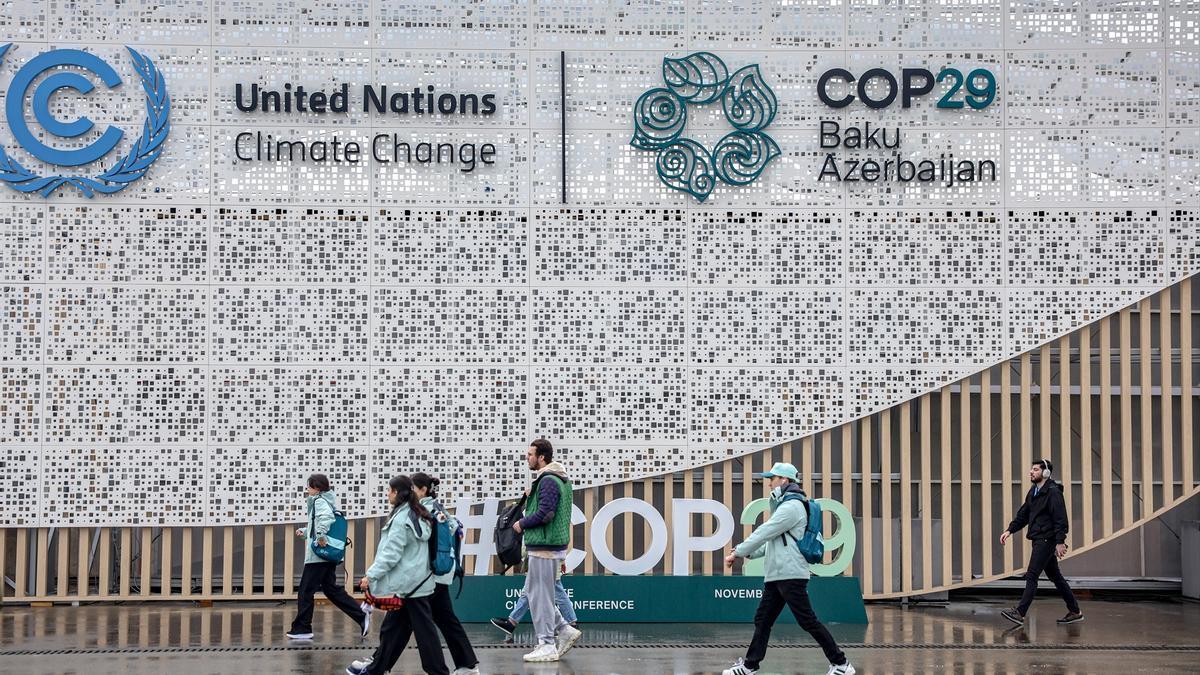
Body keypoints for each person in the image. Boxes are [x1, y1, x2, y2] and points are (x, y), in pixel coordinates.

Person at [722, 462, 854, 675]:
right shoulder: (784, 505)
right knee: (762, 620)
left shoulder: (791, 507)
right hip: (777, 575)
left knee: (807, 621)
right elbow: (771, 542)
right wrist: (746, 552)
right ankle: (749, 666)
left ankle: (841, 664)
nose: (769, 484)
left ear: (784, 480)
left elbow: (765, 531)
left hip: (790, 574)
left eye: (772, 479)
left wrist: (738, 551)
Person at [347, 475, 449, 675]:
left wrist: (371, 575)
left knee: (424, 633)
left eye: (389, 490)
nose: (387, 494)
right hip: (416, 582)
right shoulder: (417, 513)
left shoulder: (402, 518)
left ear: (396, 492)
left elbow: (391, 553)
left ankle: (438, 672)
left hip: (409, 585)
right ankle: (377, 668)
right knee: (393, 629)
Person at [512, 438, 582, 662]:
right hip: (547, 546)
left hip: (545, 548)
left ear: (542, 457)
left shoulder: (549, 480)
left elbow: (546, 513)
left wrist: (521, 523)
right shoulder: (556, 479)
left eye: (531, 454)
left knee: (541, 597)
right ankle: (564, 628)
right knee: (535, 594)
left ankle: (546, 644)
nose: (528, 458)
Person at [287, 473, 370, 641]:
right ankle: (361, 614)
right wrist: (305, 532)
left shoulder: (319, 501)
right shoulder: (325, 501)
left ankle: (302, 628)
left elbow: (326, 519)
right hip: (325, 555)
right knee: (331, 590)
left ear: (317, 488)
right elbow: (319, 524)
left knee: (305, 591)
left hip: (318, 556)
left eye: (309, 486)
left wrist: (320, 536)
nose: (307, 489)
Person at [1000, 459, 1083, 625]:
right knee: (1056, 577)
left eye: (1036, 469)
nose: (1031, 472)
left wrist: (1060, 542)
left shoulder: (1053, 492)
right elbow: (1023, 514)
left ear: (1046, 473)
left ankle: (1020, 613)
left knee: (1031, 575)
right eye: (1031, 469)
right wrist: (1010, 530)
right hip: (1038, 538)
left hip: (1047, 539)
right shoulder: (1034, 492)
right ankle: (1075, 611)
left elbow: (1061, 519)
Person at [489, 560, 578, 636]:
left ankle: (571, 626)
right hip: (542, 561)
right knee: (528, 591)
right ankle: (512, 622)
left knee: (556, 593)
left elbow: (556, 541)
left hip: (545, 562)